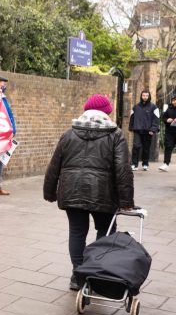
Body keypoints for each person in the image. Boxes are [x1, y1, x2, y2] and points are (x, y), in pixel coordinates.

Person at [43, 94, 134, 291]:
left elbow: (54, 166)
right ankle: (96, 273)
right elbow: (123, 169)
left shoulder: (69, 133)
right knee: (106, 232)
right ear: (106, 113)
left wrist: (49, 192)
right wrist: (126, 200)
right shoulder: (115, 135)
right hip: (104, 194)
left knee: (77, 232)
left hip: (72, 191)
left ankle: (78, 275)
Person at [128, 90, 159, 171]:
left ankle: (145, 164)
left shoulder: (154, 107)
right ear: (141, 96)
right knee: (136, 147)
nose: (145, 97)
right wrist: (131, 127)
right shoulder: (135, 107)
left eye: (146, 96)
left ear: (149, 96)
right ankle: (134, 164)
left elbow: (156, 119)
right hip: (137, 129)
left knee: (146, 148)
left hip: (148, 131)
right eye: (143, 95)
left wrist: (153, 129)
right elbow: (132, 118)